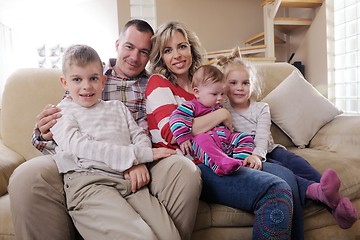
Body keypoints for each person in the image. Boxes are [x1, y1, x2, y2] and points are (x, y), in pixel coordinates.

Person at [8, 19, 201, 240]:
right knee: (27, 175)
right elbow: (67, 133)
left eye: (143, 52)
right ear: (118, 44)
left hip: (140, 160)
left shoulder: (154, 85)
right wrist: (42, 133)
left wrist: (137, 160)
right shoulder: (89, 74)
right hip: (87, 165)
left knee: (183, 171)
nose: (134, 57)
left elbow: (147, 132)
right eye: (129, 47)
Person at [145, 20, 299, 239]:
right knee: (276, 189)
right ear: (161, 57)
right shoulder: (159, 82)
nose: (177, 55)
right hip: (198, 164)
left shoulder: (204, 81)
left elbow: (228, 125)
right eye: (168, 50)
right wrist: (221, 114)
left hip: (226, 154)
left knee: (288, 179)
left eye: (182, 46)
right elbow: (172, 134)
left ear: (191, 48)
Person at [51, 44, 180, 239]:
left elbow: (139, 135)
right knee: (141, 237)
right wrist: (139, 155)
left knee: (170, 236)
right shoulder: (61, 112)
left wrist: (138, 159)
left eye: (93, 78)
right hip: (91, 182)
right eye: (77, 79)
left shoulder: (117, 107)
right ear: (64, 82)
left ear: (103, 81)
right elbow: (81, 147)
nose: (86, 86)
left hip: (130, 182)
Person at [218, 51, 358, 230]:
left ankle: (335, 203)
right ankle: (319, 193)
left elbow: (262, 137)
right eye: (233, 83)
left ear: (253, 86)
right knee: (286, 175)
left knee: (297, 162)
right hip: (246, 155)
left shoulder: (261, 108)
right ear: (224, 86)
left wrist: (258, 155)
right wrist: (252, 157)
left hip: (268, 149)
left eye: (245, 83)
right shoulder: (223, 110)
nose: (240, 88)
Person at [169, 65, 255, 176]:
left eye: (222, 94)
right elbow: (176, 118)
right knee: (201, 138)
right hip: (206, 146)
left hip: (225, 142)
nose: (220, 98)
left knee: (245, 137)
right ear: (197, 92)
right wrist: (183, 137)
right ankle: (220, 165)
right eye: (214, 94)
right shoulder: (191, 106)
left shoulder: (219, 107)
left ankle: (239, 163)